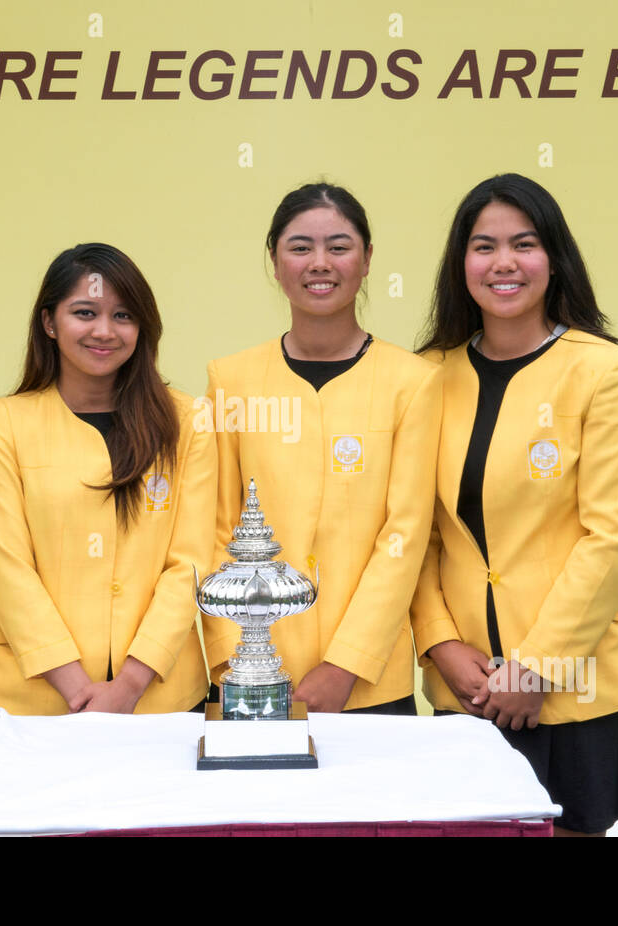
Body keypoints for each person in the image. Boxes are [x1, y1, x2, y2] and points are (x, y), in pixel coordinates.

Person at [412, 173, 618, 836]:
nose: (503, 263)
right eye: (483, 245)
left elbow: (613, 537)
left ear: (554, 258)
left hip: (577, 685)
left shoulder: (602, 370)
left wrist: (538, 666)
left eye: (523, 244)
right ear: (461, 263)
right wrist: (440, 647)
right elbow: (417, 535)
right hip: (468, 688)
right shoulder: (429, 375)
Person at [203, 183, 442, 714]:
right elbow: (218, 531)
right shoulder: (231, 380)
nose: (320, 263)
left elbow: (404, 534)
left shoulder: (414, 382)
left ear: (367, 259)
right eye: (300, 247)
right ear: (274, 259)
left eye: (338, 247)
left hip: (368, 683)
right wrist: (233, 658)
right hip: (252, 676)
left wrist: (347, 664)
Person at [0, 243, 213, 716]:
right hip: (35, 703)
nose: (105, 331)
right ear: (49, 323)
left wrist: (131, 683)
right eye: (85, 313)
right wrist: (76, 687)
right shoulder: (6, 423)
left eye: (123, 316)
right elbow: (6, 567)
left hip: (162, 699)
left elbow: (191, 564)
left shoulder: (187, 422)